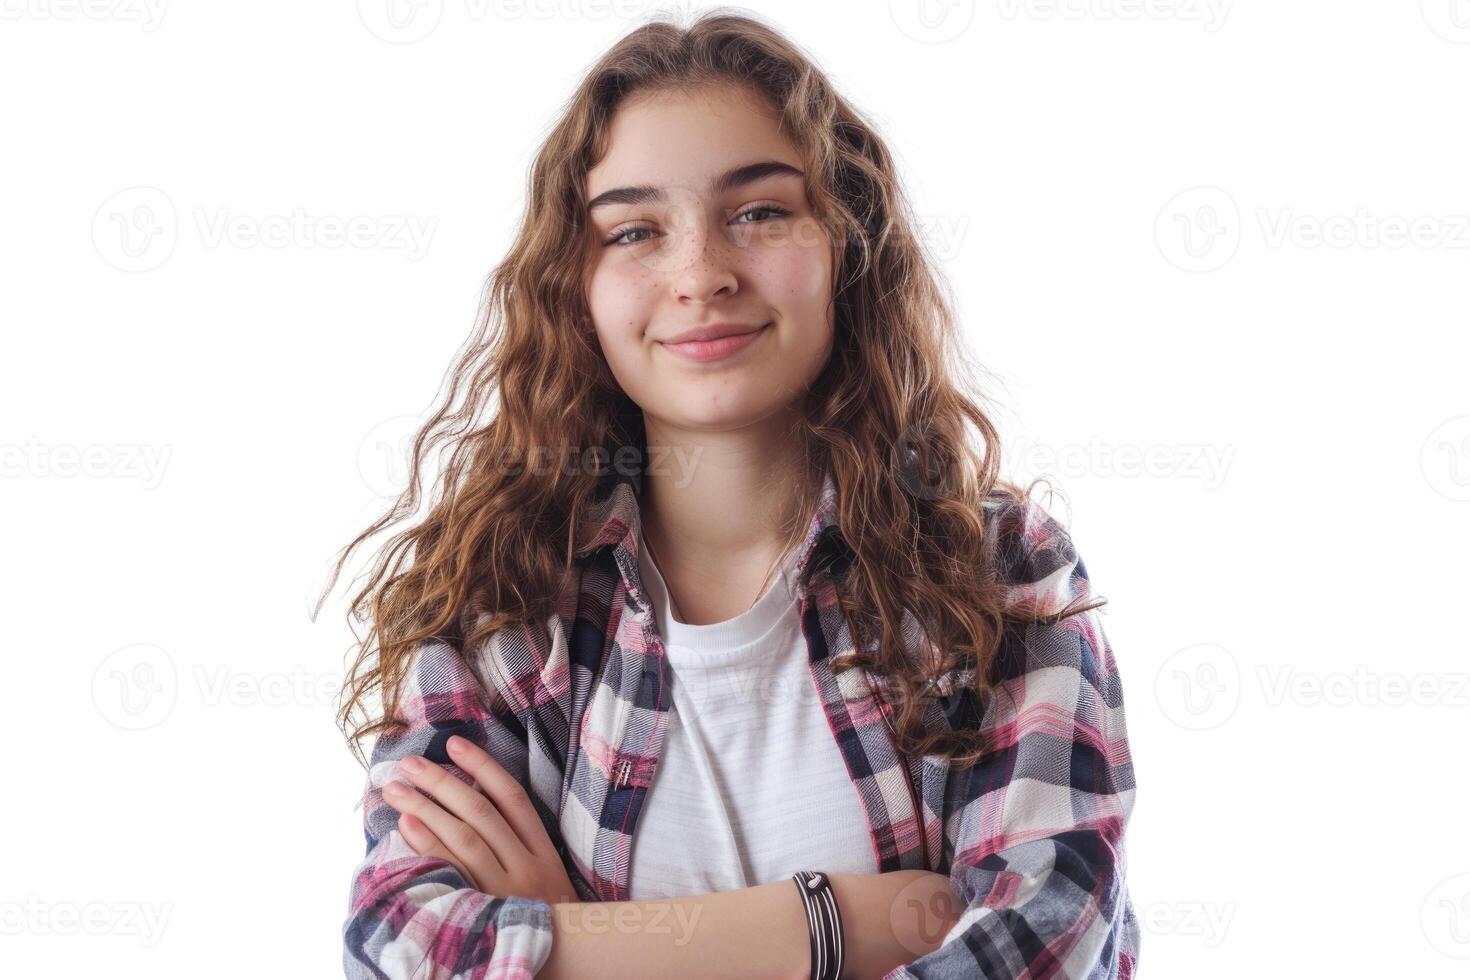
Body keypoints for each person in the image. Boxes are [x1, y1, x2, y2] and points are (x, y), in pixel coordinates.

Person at [328, 10, 1140, 979]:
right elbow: (401, 943)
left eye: (758, 211)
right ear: (572, 285)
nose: (701, 274)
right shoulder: (497, 598)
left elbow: (1051, 935)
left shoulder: (996, 570)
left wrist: (558, 929)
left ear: (849, 241)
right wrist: (838, 920)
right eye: (634, 230)